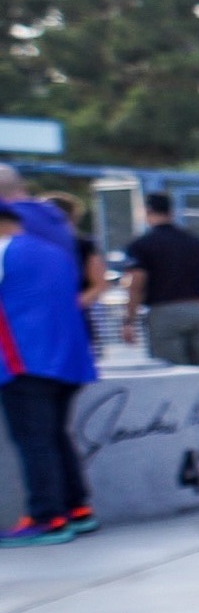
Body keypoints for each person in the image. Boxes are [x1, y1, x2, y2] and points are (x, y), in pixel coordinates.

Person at [1, 191, 98, 545]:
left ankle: (47, 517)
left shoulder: (4, 252)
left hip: (23, 362)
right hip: (67, 361)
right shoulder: (56, 252)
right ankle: (76, 507)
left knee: (34, 440)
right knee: (56, 435)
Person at [118, 191, 199, 373]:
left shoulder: (142, 244)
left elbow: (136, 283)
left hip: (163, 313)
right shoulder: (193, 240)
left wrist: (129, 320)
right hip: (196, 310)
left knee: (172, 374)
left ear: (147, 211)